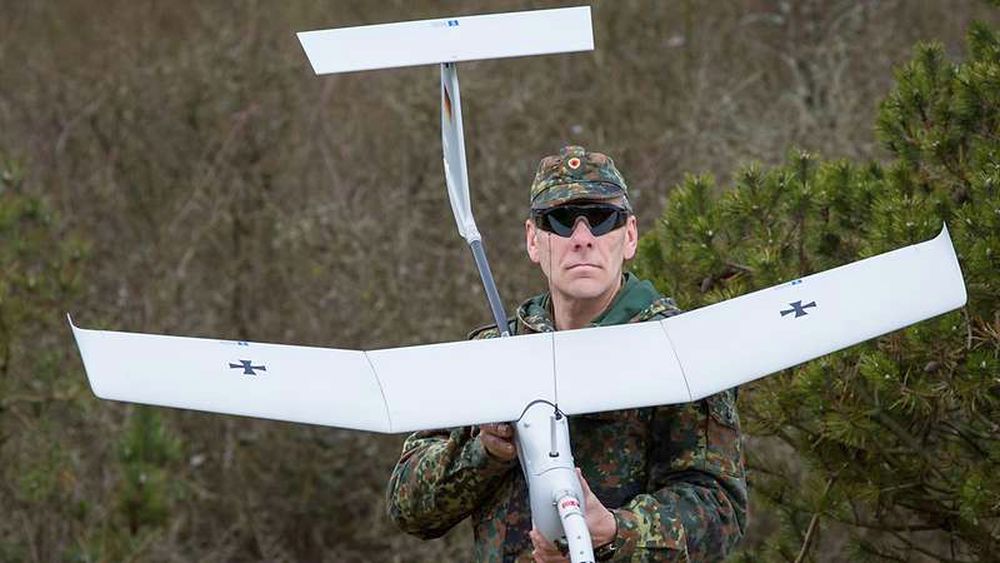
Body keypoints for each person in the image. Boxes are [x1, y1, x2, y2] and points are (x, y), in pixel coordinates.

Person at [387, 146, 747, 562]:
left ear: (629, 236)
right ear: (533, 241)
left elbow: (720, 512)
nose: (581, 239)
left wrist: (614, 533)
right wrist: (485, 451)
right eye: (560, 221)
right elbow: (408, 507)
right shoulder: (494, 353)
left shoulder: (677, 350)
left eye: (601, 219)